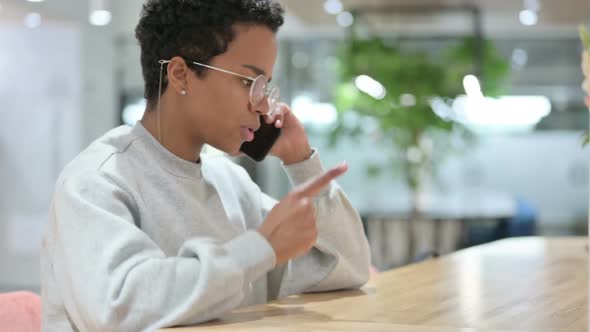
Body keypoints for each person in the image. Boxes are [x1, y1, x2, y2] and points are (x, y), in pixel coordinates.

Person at [40, 1, 371, 331]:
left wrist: (300, 160)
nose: (264, 105)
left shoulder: (231, 182)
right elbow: (120, 308)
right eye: (248, 82)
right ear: (181, 74)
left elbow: (347, 268)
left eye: (266, 86)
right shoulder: (96, 182)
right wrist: (259, 248)